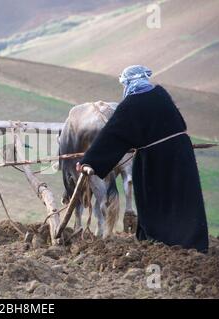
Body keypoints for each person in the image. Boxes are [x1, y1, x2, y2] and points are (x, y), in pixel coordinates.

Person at [77, 65, 209, 252]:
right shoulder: (160, 93)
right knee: (183, 196)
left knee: (155, 197)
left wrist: (88, 161)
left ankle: (161, 237)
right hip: (181, 154)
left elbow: (112, 135)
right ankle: (192, 239)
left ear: (129, 83)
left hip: (157, 160)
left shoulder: (131, 104)